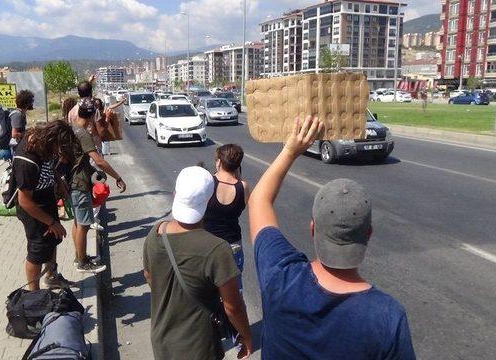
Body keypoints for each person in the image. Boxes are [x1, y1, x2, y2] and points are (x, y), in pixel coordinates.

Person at [248, 115, 416, 359]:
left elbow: (258, 201)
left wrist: (291, 150)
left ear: (313, 228)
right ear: (368, 233)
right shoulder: (388, 317)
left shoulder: (281, 277)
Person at [143, 166, 253, 360]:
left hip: (162, 340)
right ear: (209, 201)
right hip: (199, 347)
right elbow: (233, 306)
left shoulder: (155, 233)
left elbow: (149, 277)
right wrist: (245, 336)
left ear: (175, 194)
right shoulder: (217, 249)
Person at [13, 120, 78, 291]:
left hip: (47, 198)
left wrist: (59, 182)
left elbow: (49, 165)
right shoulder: (26, 161)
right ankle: (34, 295)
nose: (59, 153)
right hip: (33, 208)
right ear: (51, 141)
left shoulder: (42, 143)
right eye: (58, 148)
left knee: (52, 240)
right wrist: (51, 222)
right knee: (37, 250)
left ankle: (51, 277)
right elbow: (24, 201)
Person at [70, 98, 127, 273]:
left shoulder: (71, 127)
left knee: (78, 223)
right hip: (79, 183)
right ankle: (82, 262)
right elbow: (99, 161)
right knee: (84, 224)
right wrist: (117, 177)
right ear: (91, 116)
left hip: (73, 180)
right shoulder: (83, 133)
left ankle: (80, 256)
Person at [203, 144, 250, 276]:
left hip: (208, 244)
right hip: (233, 244)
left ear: (219, 162)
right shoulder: (243, 187)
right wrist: (237, 176)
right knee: (234, 288)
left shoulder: (208, 183)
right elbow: (242, 205)